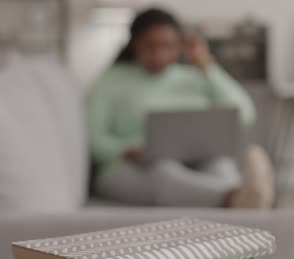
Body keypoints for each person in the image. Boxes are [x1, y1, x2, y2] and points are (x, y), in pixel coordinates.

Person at [86, 7, 273, 208]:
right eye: (149, 46)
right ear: (134, 45)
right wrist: (126, 150)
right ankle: (234, 197)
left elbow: (244, 115)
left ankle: (244, 195)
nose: (158, 55)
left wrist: (207, 66)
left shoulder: (195, 77)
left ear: (179, 45)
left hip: (196, 159)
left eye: (166, 46)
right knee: (165, 171)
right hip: (129, 166)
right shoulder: (111, 80)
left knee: (220, 165)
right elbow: (94, 138)